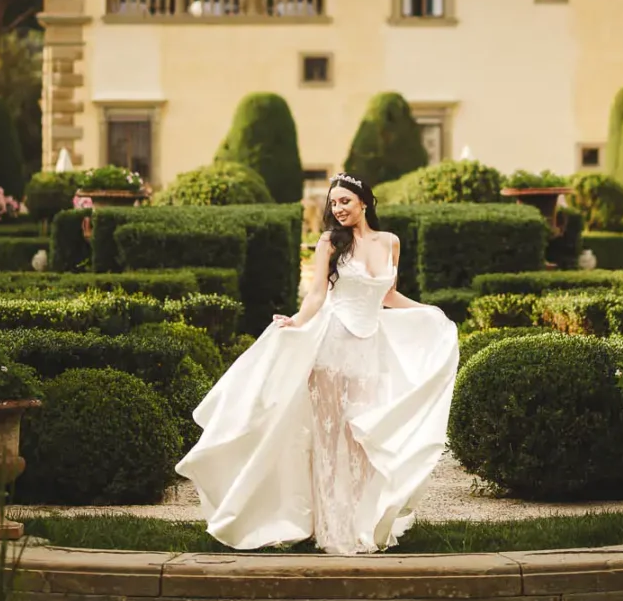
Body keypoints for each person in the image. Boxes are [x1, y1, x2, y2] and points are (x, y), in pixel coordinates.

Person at [175, 172, 458, 554]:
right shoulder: (329, 242)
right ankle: (329, 529)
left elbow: (388, 296)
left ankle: (360, 522)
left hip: (370, 350)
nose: (338, 209)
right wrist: (296, 322)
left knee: (363, 438)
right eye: (333, 203)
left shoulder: (390, 242)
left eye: (345, 201)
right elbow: (316, 295)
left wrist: (429, 313)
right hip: (331, 346)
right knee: (328, 437)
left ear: (364, 202)